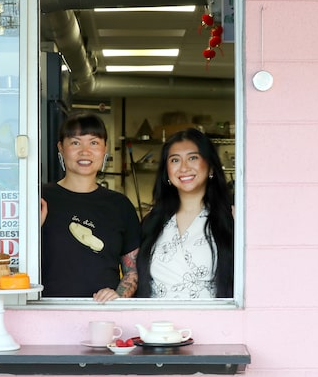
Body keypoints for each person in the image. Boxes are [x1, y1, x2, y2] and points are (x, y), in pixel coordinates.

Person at [40, 112, 141, 302]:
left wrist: (117, 296)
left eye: (94, 143)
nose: (85, 151)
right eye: (75, 142)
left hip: (102, 313)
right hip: (45, 309)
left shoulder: (120, 205)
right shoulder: (41, 199)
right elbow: (11, 259)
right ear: (61, 148)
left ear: (105, 149)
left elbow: (133, 272)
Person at [136, 128, 234, 299]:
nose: (184, 167)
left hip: (212, 322)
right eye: (175, 160)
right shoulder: (152, 221)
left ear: (210, 166)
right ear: (167, 172)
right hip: (157, 323)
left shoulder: (231, 218)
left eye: (193, 157)